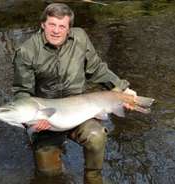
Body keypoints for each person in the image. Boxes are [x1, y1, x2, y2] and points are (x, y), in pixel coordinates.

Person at [12, 2, 136, 183]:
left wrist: (122, 87)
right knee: (49, 176)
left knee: (96, 136)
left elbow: (96, 69)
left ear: (69, 28)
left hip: (79, 111)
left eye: (62, 26)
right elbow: (22, 92)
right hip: (47, 119)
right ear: (43, 24)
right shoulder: (26, 52)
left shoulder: (80, 38)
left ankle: (93, 176)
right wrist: (31, 120)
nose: (56, 31)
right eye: (52, 24)